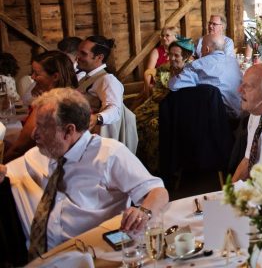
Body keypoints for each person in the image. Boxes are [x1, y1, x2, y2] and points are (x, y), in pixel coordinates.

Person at [0, 89, 168, 257]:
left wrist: (143, 212)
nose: (34, 134)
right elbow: (6, 173)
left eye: (43, 127)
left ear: (68, 131)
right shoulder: (37, 155)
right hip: (40, 257)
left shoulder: (109, 155)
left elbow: (158, 192)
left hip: (90, 254)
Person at [3, 51, 78, 162]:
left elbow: (19, 149)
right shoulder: (74, 95)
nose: (32, 77)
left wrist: (3, 161)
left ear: (55, 76)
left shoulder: (48, 105)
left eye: (37, 74)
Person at [135, 38, 194, 173]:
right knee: (134, 119)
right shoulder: (164, 68)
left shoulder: (192, 71)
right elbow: (157, 93)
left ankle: (156, 168)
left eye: (176, 55)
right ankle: (138, 163)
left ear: (186, 57)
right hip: (158, 104)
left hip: (179, 109)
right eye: (170, 54)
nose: (172, 58)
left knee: (154, 126)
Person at [168, 34, 243, 116]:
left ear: (206, 49)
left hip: (215, 118)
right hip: (239, 114)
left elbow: (174, 85)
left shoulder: (197, 65)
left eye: (202, 45)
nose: (199, 50)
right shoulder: (234, 62)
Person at [76, 36, 124, 132]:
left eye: (83, 54)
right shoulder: (86, 77)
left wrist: (97, 118)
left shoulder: (108, 80)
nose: (78, 56)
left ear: (99, 57)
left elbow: (115, 109)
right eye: (78, 52)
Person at [142, 26, 177, 97]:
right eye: (162, 35)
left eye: (167, 35)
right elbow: (149, 72)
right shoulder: (156, 52)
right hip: (158, 84)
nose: (164, 38)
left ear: (174, 37)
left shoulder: (179, 51)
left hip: (174, 82)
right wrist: (147, 89)